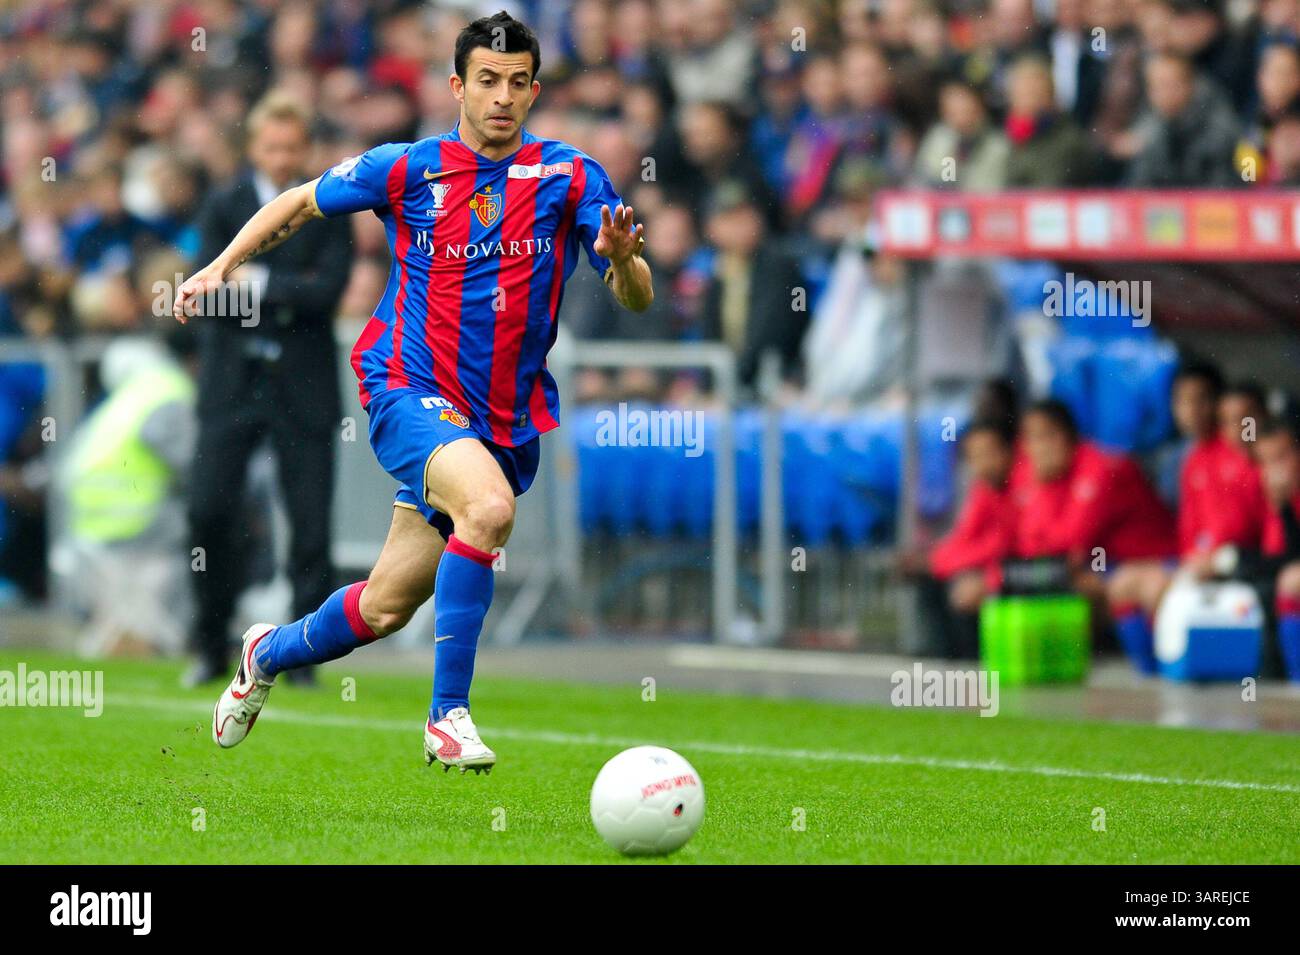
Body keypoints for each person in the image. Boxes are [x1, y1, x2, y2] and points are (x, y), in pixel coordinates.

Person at [173, 11, 653, 773]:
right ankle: (447, 716)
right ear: (458, 86)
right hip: (409, 382)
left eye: (518, 83)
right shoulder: (407, 167)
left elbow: (636, 297)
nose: (502, 96)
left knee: (385, 607)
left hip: (500, 415)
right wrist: (219, 266)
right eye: (487, 81)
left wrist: (623, 261)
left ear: (534, 91)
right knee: (488, 509)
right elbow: (297, 201)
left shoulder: (569, 176)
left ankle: (267, 649)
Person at [184, 92, 354, 687]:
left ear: (305, 148)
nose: (282, 158)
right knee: (208, 511)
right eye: (271, 146)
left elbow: (328, 292)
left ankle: (304, 654)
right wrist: (285, 287)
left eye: (292, 147)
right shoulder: (223, 203)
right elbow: (207, 291)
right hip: (231, 385)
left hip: (302, 387)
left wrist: (256, 281)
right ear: (254, 147)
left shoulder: (329, 207)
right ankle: (210, 642)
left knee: (310, 525)